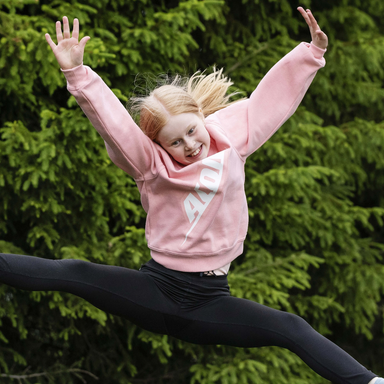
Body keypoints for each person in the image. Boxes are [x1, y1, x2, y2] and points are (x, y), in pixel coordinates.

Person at [0, 7, 382, 384]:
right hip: (153, 293)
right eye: (175, 142)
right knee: (73, 272)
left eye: (191, 132)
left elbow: (271, 101)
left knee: (291, 328)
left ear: (202, 117)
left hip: (210, 304)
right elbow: (114, 125)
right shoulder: (151, 165)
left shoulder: (232, 140)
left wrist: (311, 54)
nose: (189, 145)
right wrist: (77, 74)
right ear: (159, 144)